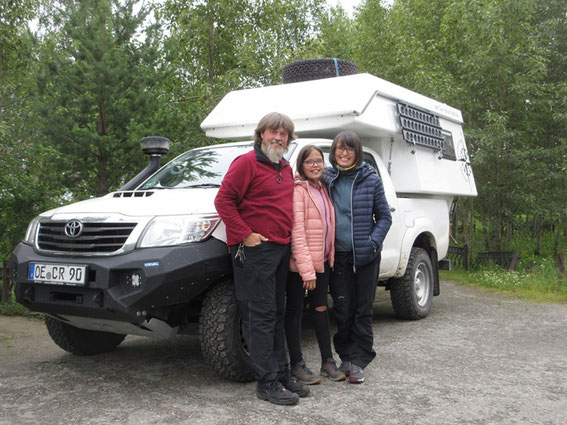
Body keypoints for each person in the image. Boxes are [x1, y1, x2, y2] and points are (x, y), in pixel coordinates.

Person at [214, 112, 308, 406]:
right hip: (254, 250)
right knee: (260, 316)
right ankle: (266, 382)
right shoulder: (246, 163)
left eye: (283, 134)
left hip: (280, 249)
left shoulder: (284, 166)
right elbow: (223, 201)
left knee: (276, 311)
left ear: (289, 140)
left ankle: (280, 373)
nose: (278, 138)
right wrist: (245, 234)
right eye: (272, 132)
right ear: (261, 134)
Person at [323, 130, 392, 384]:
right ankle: (346, 357)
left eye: (349, 149)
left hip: (365, 256)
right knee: (342, 309)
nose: (344, 153)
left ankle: (360, 360)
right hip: (338, 256)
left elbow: (384, 216)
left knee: (363, 310)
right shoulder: (327, 178)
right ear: (334, 151)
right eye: (340, 148)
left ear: (357, 152)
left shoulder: (370, 179)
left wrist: (373, 242)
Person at [286, 145, 345, 385]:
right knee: (295, 312)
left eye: (319, 161)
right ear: (301, 165)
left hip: (321, 264)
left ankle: (327, 362)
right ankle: (297, 364)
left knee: (321, 310)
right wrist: (306, 270)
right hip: (300, 266)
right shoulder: (298, 191)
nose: (315, 165)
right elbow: (297, 231)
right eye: (309, 161)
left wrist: (326, 260)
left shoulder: (322, 189)